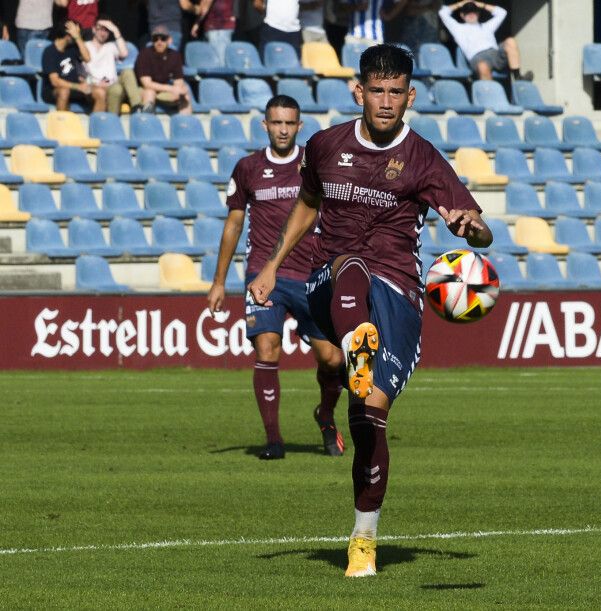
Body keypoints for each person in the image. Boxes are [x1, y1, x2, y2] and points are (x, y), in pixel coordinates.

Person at [247, 44, 493, 577]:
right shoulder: (325, 144)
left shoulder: (423, 157)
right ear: (358, 91)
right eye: (376, 90)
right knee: (349, 262)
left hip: (400, 292)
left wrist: (472, 229)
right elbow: (308, 204)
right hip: (334, 278)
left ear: (410, 95)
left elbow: (478, 223)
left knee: (368, 417)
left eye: (395, 92)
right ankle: (357, 336)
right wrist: (272, 264)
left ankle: (363, 537)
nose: (385, 101)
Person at [207, 95, 346, 461]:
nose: (282, 129)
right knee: (267, 348)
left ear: (299, 126)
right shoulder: (248, 168)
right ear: (265, 125)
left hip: (310, 274)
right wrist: (219, 281)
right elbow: (234, 224)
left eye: (289, 123)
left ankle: (326, 414)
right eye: (276, 122)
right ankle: (274, 440)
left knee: (332, 359)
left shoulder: (313, 166)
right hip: (263, 274)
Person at [437, 1, 531, 81]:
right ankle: (490, 95)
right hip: (477, 58)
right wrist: (460, 4)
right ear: (462, 15)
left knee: (510, 41)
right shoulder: (458, 28)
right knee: (483, 66)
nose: (471, 14)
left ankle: (518, 77)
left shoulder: (487, 26)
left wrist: (481, 5)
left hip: (495, 54)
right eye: (467, 12)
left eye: (474, 12)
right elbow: (442, 13)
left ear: (478, 13)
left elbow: (502, 12)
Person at [116, 25, 191, 114]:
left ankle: (185, 123)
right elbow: (147, 84)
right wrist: (171, 88)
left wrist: (178, 90)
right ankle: (147, 124)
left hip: (161, 90)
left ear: (169, 40)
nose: (159, 42)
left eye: (163, 38)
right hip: (142, 90)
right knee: (150, 92)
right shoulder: (144, 54)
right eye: (155, 39)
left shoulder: (175, 56)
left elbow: (178, 83)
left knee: (184, 94)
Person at [41, 21, 101, 112]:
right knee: (64, 91)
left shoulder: (73, 47)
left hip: (75, 87)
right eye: (77, 33)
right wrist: (77, 86)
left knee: (100, 92)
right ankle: (62, 124)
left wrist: (78, 38)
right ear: (68, 34)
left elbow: (87, 58)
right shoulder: (49, 51)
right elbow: (55, 81)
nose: (79, 35)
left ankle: (97, 124)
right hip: (54, 90)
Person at [85, 18, 129, 114]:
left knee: (117, 88)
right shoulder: (86, 46)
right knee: (102, 92)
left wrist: (115, 30)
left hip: (111, 85)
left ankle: (112, 122)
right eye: (100, 29)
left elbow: (124, 54)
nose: (103, 33)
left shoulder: (111, 46)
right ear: (93, 29)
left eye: (107, 30)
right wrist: (94, 84)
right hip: (94, 86)